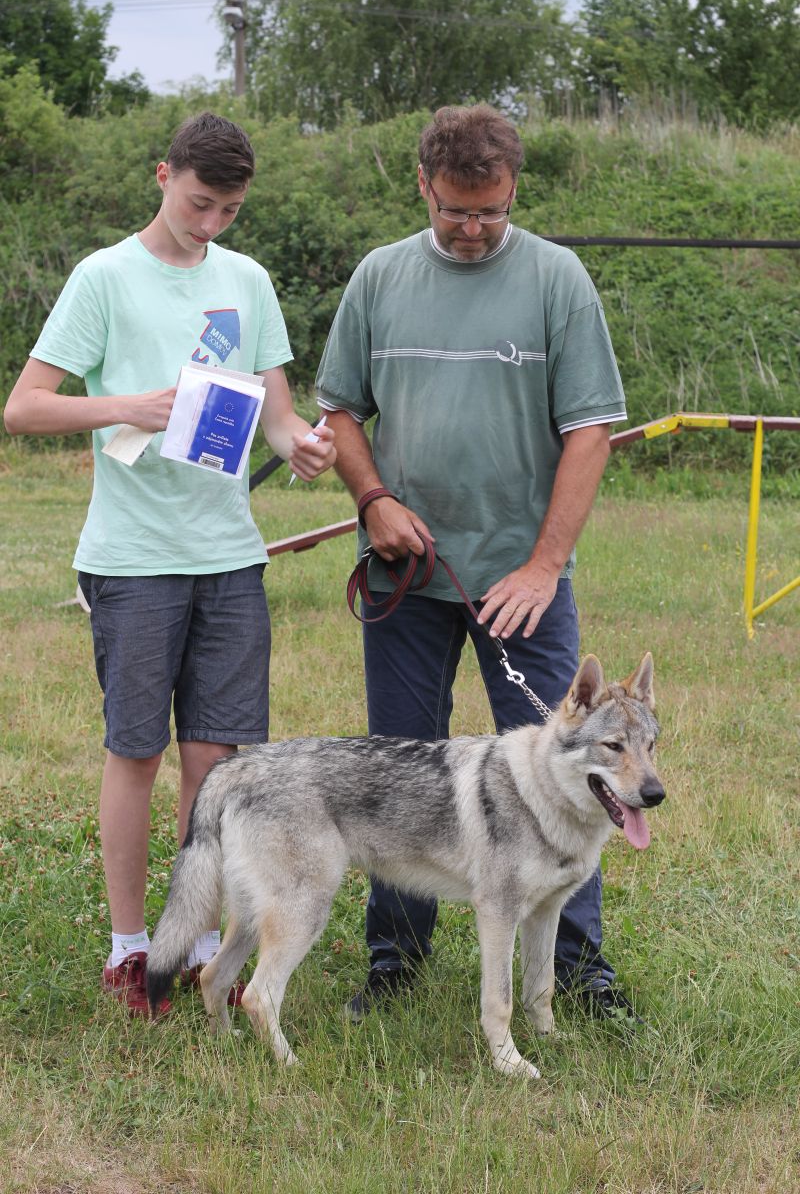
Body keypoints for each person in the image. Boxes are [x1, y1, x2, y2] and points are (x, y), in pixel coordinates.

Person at [4, 112, 335, 1017]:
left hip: (229, 556)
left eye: (229, 210)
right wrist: (129, 408)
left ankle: (198, 953)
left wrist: (300, 443)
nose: (212, 223)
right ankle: (127, 947)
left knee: (217, 763)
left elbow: (275, 412)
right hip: (134, 561)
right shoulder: (104, 277)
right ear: (162, 176)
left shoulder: (247, 280)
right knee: (137, 753)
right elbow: (24, 409)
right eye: (199, 203)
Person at [316, 104, 639, 1023]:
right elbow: (340, 411)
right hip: (407, 575)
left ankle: (577, 975)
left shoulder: (556, 278)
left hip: (522, 582)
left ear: (512, 194)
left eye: (490, 212)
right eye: (456, 210)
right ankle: (395, 963)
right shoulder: (379, 276)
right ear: (423, 185)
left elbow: (590, 430)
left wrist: (543, 566)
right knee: (401, 774)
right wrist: (373, 500)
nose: (472, 229)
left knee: (568, 773)